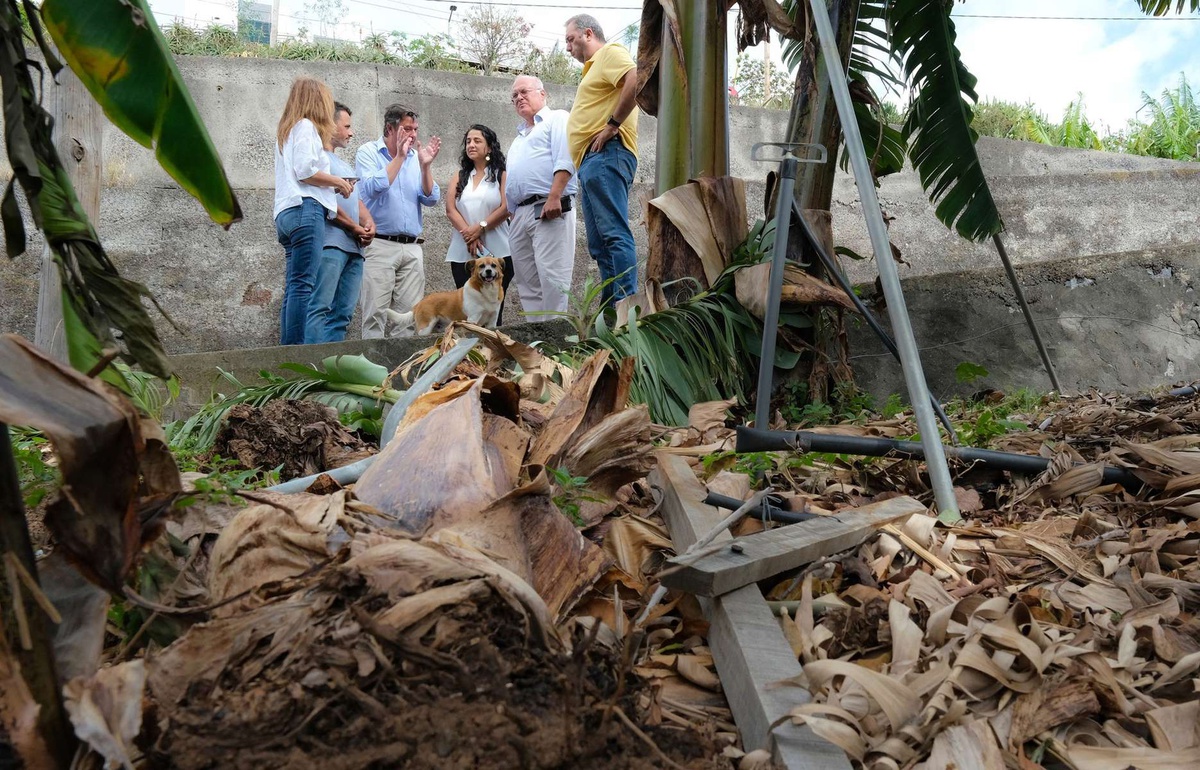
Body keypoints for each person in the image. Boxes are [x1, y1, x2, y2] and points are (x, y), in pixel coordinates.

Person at [564, 14, 639, 309]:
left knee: (614, 235)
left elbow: (635, 79)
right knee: (599, 244)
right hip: (592, 162)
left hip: (607, 154)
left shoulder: (609, 53)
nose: (568, 47)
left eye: (571, 39)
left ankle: (626, 310)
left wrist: (612, 124)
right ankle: (611, 313)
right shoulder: (592, 69)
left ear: (588, 33)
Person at [273, 76, 354, 345]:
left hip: (286, 212)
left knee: (294, 285)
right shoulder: (306, 126)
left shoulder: (287, 129)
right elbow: (305, 171)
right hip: (306, 209)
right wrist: (338, 182)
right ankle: (296, 353)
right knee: (303, 285)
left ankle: (287, 352)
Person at [355, 104, 442, 338]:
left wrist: (425, 167)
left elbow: (431, 198)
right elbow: (372, 188)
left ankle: (399, 373)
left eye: (415, 129)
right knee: (375, 315)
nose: (413, 134)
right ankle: (371, 374)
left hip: (413, 247)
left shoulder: (417, 158)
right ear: (389, 128)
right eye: (407, 128)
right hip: (379, 244)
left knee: (409, 319)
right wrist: (400, 157)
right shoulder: (368, 152)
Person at [505, 75, 577, 319]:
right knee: (526, 282)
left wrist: (555, 195)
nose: (519, 98)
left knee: (553, 277)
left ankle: (554, 344)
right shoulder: (518, 138)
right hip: (520, 214)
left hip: (548, 206)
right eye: (514, 96)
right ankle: (536, 342)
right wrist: (513, 213)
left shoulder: (557, 118)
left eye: (524, 91)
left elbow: (566, 157)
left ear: (542, 93)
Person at [305, 101, 375, 343]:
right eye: (346, 126)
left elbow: (357, 202)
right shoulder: (317, 160)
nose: (351, 132)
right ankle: (310, 368)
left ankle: (330, 366)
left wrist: (369, 223)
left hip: (355, 248)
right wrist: (354, 226)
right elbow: (326, 203)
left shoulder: (343, 164)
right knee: (319, 307)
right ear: (329, 124)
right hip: (330, 244)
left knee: (343, 314)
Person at [445, 124, 514, 321]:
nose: (471, 145)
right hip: (463, 251)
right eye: (468, 141)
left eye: (477, 141)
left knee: (494, 307)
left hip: (499, 250)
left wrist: (480, 227)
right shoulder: (459, 176)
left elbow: (506, 206)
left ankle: (493, 349)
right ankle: (469, 351)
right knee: (466, 309)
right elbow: (451, 209)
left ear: (490, 147)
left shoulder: (501, 174)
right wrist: (469, 233)